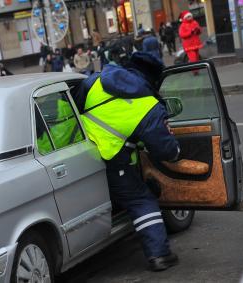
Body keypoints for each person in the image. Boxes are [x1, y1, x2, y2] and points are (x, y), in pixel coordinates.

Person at [71, 44, 180, 272]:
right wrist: (177, 151)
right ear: (154, 80)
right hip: (112, 163)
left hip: (80, 159)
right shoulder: (149, 106)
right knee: (142, 200)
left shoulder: (95, 81)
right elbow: (165, 151)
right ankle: (159, 255)